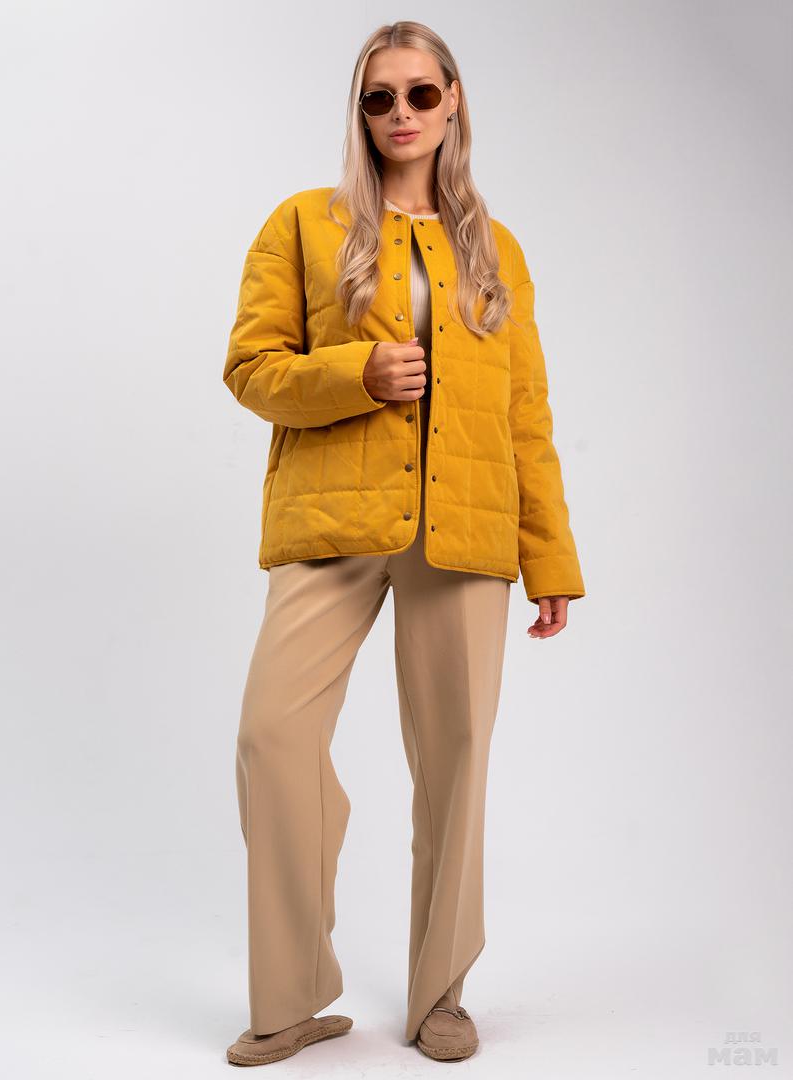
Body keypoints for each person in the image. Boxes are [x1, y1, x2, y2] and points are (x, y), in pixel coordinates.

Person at [221, 19, 586, 1067]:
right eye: (379, 98)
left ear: (453, 100)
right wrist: (356, 373)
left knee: (456, 760)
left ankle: (441, 996)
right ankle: (291, 995)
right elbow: (250, 368)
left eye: (421, 93)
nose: (401, 115)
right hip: (332, 521)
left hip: (465, 529)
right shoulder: (305, 223)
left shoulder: (495, 249)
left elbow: (525, 416)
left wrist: (551, 558)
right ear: (361, 110)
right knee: (271, 737)